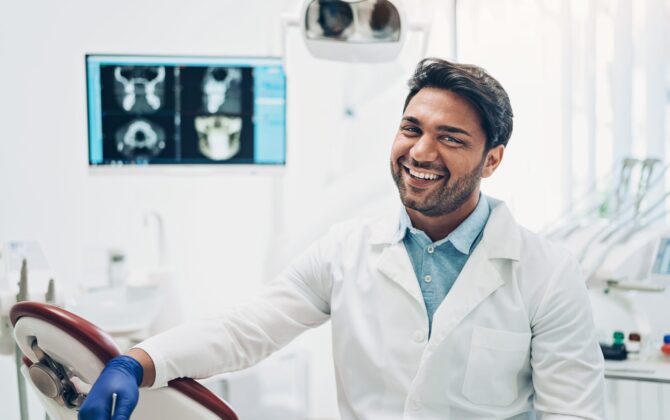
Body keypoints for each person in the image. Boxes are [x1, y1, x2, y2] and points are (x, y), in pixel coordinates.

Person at [79, 58, 605, 419]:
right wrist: (139, 361)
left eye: (451, 138)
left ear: (492, 159)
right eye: (411, 128)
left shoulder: (547, 273)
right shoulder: (345, 250)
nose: (421, 152)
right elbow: (246, 330)